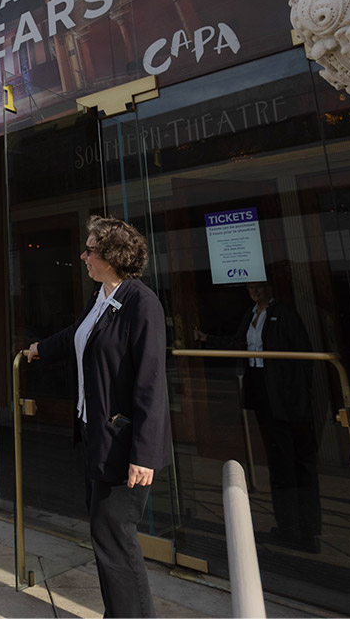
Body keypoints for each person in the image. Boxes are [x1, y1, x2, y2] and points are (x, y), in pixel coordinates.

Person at [24, 216, 171, 618]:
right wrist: (40, 349)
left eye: (90, 250)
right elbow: (78, 333)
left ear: (111, 256)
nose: (83, 256)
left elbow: (151, 385)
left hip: (124, 446)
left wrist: (144, 455)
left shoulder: (143, 304)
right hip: (96, 436)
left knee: (115, 537)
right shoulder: (101, 297)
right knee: (105, 535)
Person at [196, 281, 322, 553]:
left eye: (258, 286)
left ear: (268, 287)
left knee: (298, 463)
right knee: (278, 461)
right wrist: (208, 340)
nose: (253, 291)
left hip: (287, 397)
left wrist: (299, 395)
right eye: (249, 287)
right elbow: (239, 342)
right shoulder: (251, 314)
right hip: (264, 394)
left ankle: (308, 530)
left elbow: (302, 356)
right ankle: (287, 525)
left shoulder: (284, 315)